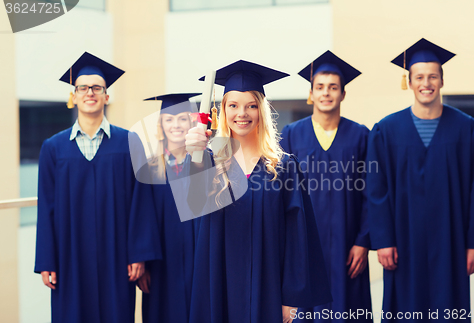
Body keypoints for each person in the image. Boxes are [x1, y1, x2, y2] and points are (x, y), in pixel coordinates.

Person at [184, 60, 332, 323]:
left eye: (251, 105)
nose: (242, 113)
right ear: (222, 111)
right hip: (219, 283)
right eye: (233, 105)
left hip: (270, 287)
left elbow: (297, 236)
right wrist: (194, 156)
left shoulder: (284, 166)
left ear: (261, 110)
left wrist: (291, 297)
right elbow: (192, 202)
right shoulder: (209, 161)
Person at [34, 52, 161, 323]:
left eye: (97, 88)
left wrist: (139, 254)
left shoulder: (129, 142)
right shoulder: (53, 148)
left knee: (116, 313)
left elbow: (141, 202)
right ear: (75, 96)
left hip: (117, 255)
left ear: (106, 96)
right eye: (83, 88)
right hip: (70, 255)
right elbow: (46, 207)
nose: (89, 92)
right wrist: (47, 260)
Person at [367, 38, 474, 322]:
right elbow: (376, 189)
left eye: (433, 76)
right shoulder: (386, 130)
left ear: (442, 81)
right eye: (419, 77)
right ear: (408, 82)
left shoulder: (467, 129)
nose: (426, 83)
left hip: (452, 239)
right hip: (402, 240)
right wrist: (382, 240)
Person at [281, 50, 372, 322]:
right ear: (311, 93)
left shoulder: (360, 135)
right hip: (305, 245)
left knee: (348, 309)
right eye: (319, 87)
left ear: (343, 94)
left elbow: (371, 193)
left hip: (348, 246)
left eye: (333, 87)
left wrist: (363, 242)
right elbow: (283, 194)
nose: (326, 93)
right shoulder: (292, 134)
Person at [137, 93, 201, 323]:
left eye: (182, 119)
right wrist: (143, 262)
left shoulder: (204, 164)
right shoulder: (149, 169)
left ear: (192, 122)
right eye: (169, 119)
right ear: (161, 125)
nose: (176, 125)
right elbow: (141, 218)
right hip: (162, 264)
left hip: (199, 258)